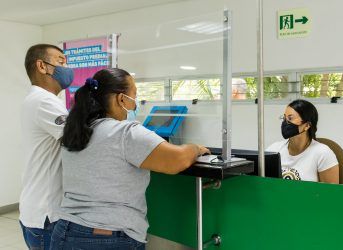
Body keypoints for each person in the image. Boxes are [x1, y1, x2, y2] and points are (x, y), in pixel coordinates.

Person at [50, 68, 210, 249]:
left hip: (64, 231)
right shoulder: (124, 132)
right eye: (134, 95)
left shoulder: (75, 132)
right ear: (121, 99)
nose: (135, 104)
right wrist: (196, 148)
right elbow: (177, 160)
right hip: (107, 237)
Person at [20, 44, 74, 249]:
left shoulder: (41, 100)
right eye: (61, 62)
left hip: (37, 209)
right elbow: (78, 140)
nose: (67, 68)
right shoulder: (44, 102)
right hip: (46, 214)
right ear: (42, 66)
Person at [267, 99, 339, 183]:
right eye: (284, 118)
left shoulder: (323, 154)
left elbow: (330, 193)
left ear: (307, 125)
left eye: (290, 118)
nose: (285, 122)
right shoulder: (273, 150)